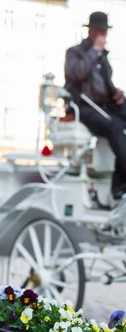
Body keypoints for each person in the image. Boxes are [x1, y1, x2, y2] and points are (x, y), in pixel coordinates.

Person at [64, 11, 126, 207]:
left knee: (121, 121)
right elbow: (76, 73)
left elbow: (105, 85)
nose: (103, 35)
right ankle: (119, 189)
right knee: (115, 127)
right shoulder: (75, 52)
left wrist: (115, 94)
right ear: (90, 31)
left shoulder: (102, 58)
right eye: (99, 31)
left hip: (104, 105)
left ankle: (118, 186)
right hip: (84, 107)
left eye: (105, 31)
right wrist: (94, 52)